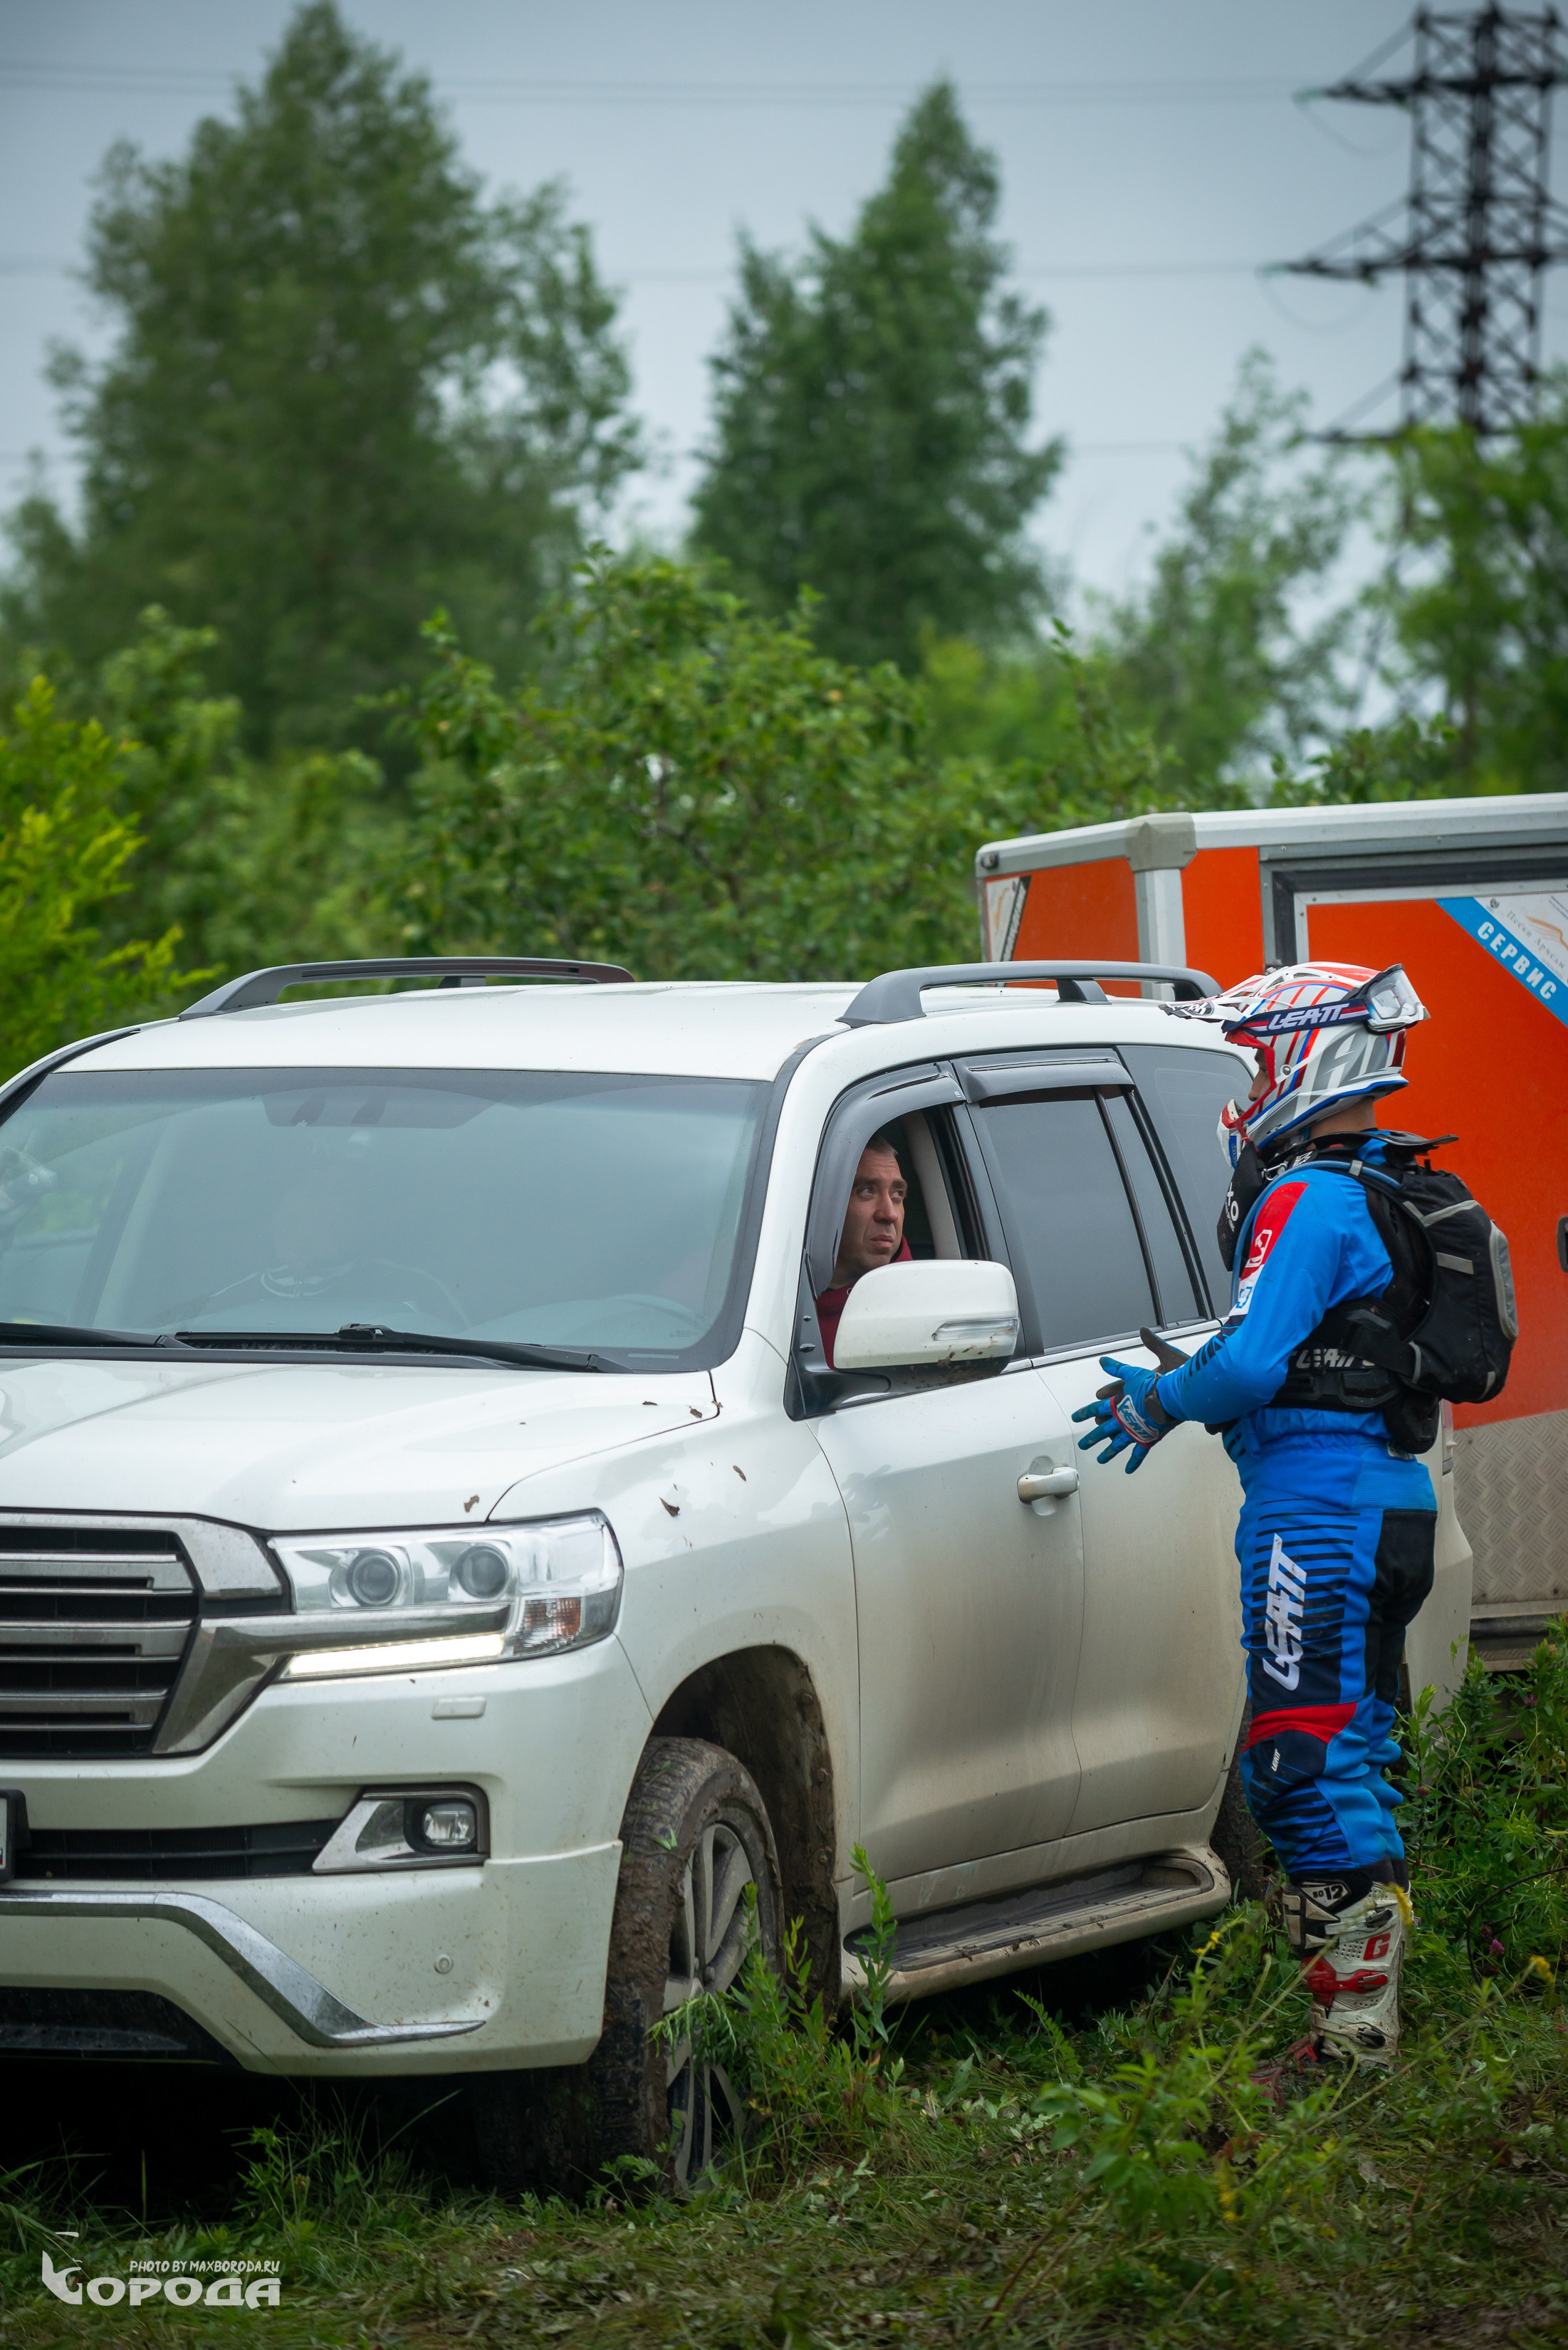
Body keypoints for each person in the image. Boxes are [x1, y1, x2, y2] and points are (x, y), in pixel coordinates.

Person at [1073, 962, 1436, 2065]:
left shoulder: (1305, 1197)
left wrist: (1155, 1403)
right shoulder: (1375, 1185)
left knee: (1297, 1765)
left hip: (1317, 1511)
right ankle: (1362, 2030)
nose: (1244, 1089)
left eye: (1253, 1062)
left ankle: (1349, 2047)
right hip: (1385, 1496)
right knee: (1351, 1759)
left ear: (1301, 1058)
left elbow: (1244, 1368)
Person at [815, 1132, 913, 1367]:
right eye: (867, 1191)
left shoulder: (919, 1306)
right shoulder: (765, 1297)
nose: (889, 1214)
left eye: (897, 1194)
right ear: (823, 1205)